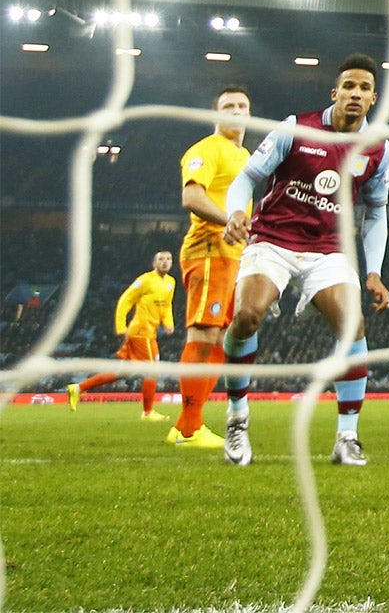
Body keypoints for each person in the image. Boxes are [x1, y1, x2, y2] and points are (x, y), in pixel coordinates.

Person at [218, 54, 389, 467]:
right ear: (335, 92)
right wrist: (236, 213)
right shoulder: (297, 127)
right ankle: (237, 418)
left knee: (353, 325)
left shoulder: (378, 150)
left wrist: (374, 271)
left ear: (372, 99)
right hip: (273, 238)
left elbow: (377, 212)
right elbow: (247, 177)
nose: (356, 93)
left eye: (364, 88)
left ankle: (346, 438)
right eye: (349, 86)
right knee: (247, 314)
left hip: (328, 249)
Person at [167, 86, 252, 447]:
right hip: (207, 251)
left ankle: (188, 423)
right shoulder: (206, 149)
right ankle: (189, 429)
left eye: (242, 106)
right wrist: (228, 221)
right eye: (227, 106)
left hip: (232, 256)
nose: (235, 111)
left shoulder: (245, 155)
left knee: (221, 340)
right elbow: (191, 196)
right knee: (202, 336)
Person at [69, 250, 177, 420]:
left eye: (168, 259)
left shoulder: (171, 282)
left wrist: (168, 323)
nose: (165, 262)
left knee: (122, 372)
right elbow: (125, 300)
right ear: (154, 263)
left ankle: (78, 388)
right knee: (153, 371)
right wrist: (121, 325)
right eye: (161, 259)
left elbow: (166, 305)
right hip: (141, 332)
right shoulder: (145, 280)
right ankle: (148, 412)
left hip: (150, 332)